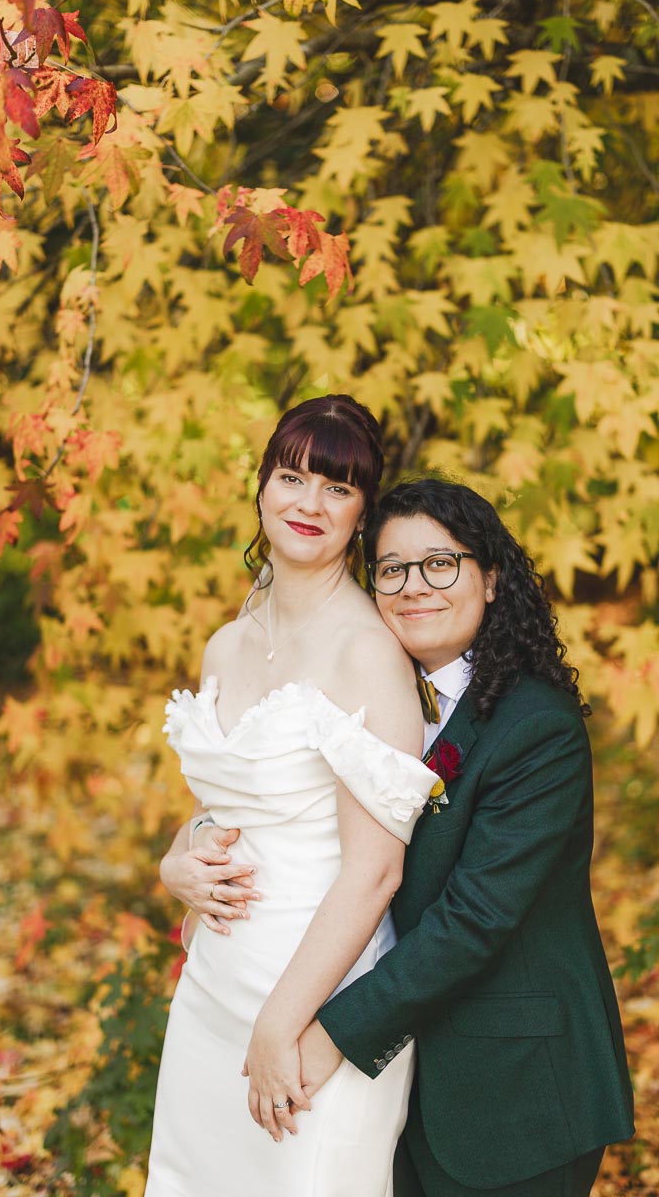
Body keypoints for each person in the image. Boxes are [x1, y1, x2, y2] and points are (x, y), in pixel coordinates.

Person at [167, 478, 634, 1197]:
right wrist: (185, 851)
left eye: (440, 563)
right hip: (413, 1090)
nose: (415, 586)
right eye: (392, 569)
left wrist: (328, 1036)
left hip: (515, 1090)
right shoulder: (380, 696)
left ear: (491, 578)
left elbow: (472, 921)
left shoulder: (534, 727)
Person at [145, 396, 437, 1197]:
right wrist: (179, 860)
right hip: (212, 983)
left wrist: (284, 1024)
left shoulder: (368, 654)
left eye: (337, 488)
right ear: (263, 487)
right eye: (292, 476)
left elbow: (376, 872)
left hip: (314, 1000)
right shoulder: (227, 642)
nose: (309, 503)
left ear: (362, 514)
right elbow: (227, 806)